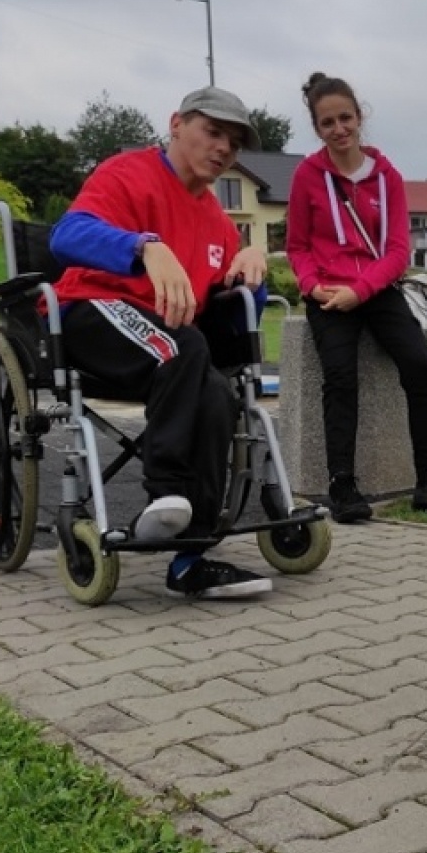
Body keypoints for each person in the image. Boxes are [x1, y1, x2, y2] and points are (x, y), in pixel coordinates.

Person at [49, 86, 272, 601]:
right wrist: (143, 247)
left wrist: (252, 271)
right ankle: (166, 492)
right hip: (91, 310)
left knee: (217, 395)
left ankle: (191, 557)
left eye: (234, 142)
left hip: (167, 339)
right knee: (184, 346)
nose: (223, 148)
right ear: (176, 124)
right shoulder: (126, 173)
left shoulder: (219, 222)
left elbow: (233, 318)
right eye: (213, 132)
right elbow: (66, 236)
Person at [287, 72, 427, 520]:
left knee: (419, 365)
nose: (339, 129)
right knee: (339, 377)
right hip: (327, 294)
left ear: (360, 117)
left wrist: (361, 290)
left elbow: (397, 251)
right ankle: (342, 486)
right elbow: (297, 246)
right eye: (327, 123)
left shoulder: (387, 177)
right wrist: (311, 285)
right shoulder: (307, 176)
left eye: (345, 118)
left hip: (375, 289)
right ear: (317, 128)